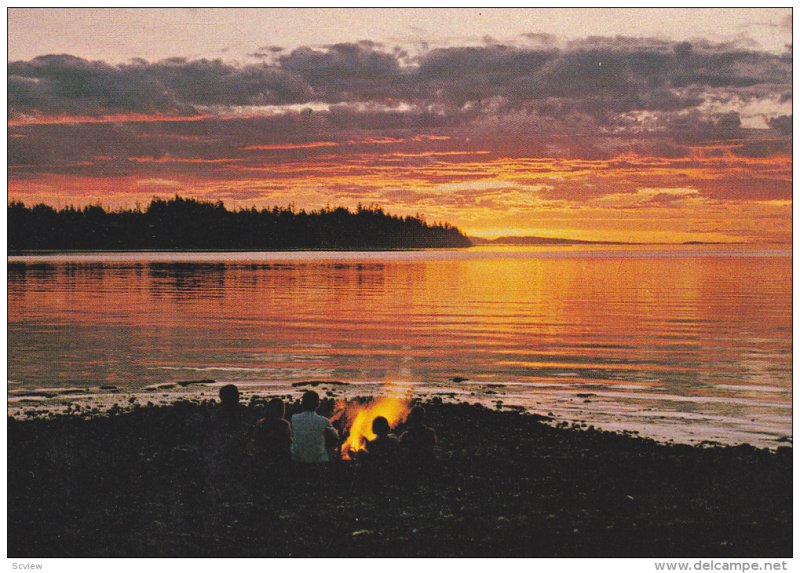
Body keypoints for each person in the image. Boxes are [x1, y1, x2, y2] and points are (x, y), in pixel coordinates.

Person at [290, 391, 339, 463]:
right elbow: (336, 438)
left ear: (302, 404)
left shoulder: (294, 418)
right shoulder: (324, 420)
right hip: (320, 461)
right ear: (317, 405)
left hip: (298, 461)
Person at [252, 398, 292, 465]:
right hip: (280, 459)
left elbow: (256, 441)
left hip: (263, 458)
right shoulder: (284, 424)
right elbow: (288, 442)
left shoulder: (261, 423)